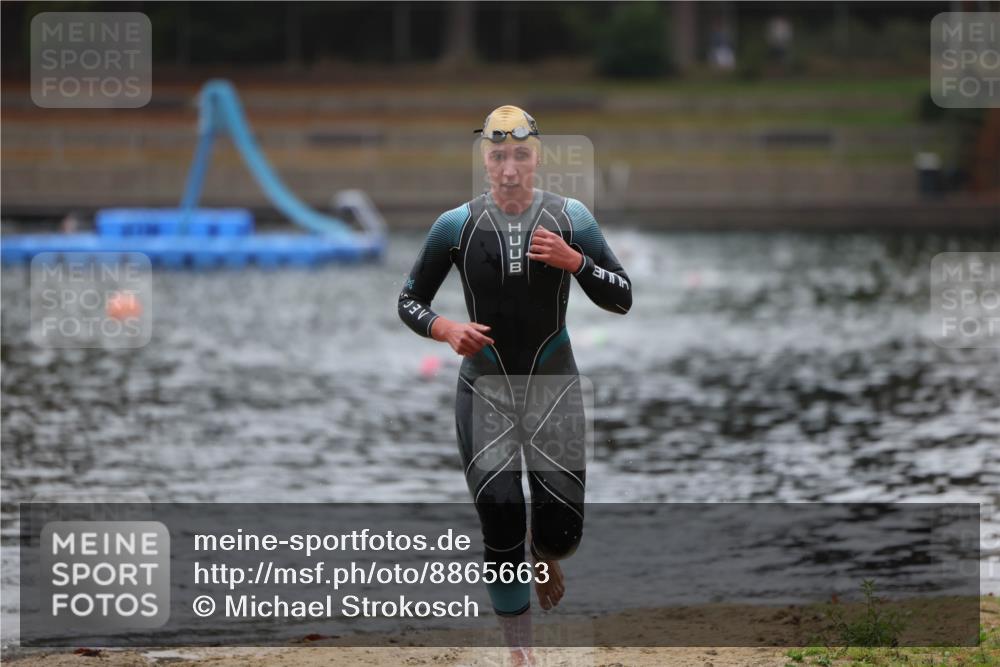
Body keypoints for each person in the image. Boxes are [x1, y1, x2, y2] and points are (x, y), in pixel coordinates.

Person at [397, 105, 632, 666]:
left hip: (555, 388)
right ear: (485, 160)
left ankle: (544, 552)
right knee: (500, 512)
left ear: (537, 157)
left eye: (520, 156)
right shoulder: (456, 226)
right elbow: (409, 300)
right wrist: (444, 327)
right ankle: (519, 654)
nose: (509, 168)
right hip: (485, 388)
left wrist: (577, 263)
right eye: (498, 156)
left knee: (562, 532)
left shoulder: (571, 219)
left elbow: (622, 295)